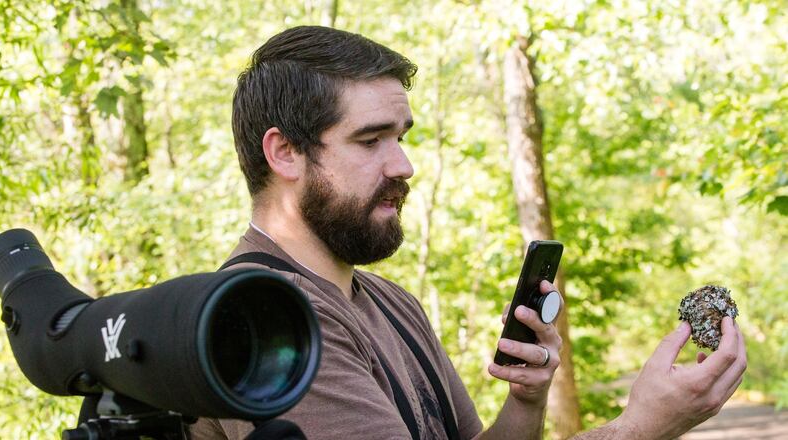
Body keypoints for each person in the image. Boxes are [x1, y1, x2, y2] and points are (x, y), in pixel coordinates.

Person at [190, 26, 747, 440]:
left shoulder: (391, 302)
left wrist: (526, 400)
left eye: (401, 137)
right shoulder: (266, 321)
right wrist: (642, 426)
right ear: (284, 152)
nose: (403, 165)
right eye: (370, 141)